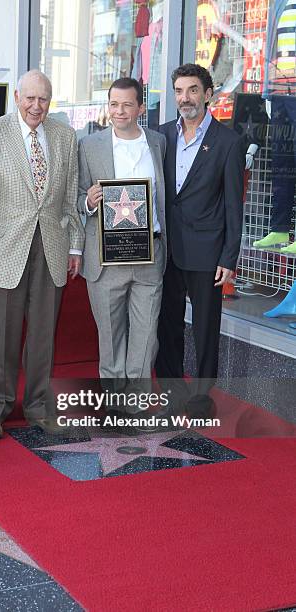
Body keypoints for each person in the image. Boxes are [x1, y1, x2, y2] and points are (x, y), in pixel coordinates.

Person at [0, 69, 84, 440]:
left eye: (44, 99)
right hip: (3, 250)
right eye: (30, 98)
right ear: (17, 96)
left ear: (51, 101)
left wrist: (75, 245)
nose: (37, 106)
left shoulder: (66, 136)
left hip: (51, 246)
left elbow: (70, 197)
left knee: (43, 335)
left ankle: (37, 407)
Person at [155, 63, 245, 416]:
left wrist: (229, 258)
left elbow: (233, 205)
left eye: (193, 90)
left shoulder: (229, 142)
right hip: (166, 250)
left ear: (208, 95)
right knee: (168, 325)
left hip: (208, 254)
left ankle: (202, 397)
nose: (185, 98)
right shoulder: (161, 136)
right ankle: (172, 393)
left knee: (206, 329)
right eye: (179, 90)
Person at [78, 77, 166, 420]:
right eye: (114, 104)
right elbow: (73, 196)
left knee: (146, 335)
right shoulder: (89, 145)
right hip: (105, 257)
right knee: (110, 335)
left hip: (149, 256)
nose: (119, 111)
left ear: (140, 108)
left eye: (127, 104)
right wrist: (88, 200)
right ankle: (114, 401)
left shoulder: (158, 143)